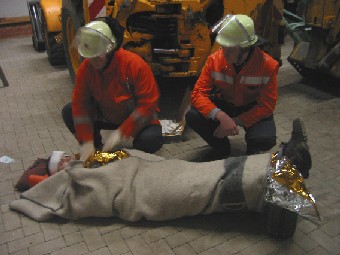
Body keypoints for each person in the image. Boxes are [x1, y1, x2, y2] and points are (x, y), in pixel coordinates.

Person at [11, 119, 313, 228]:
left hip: (154, 172)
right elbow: (67, 194)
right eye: (61, 161)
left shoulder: (90, 160)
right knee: (201, 187)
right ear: (57, 174)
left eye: (65, 157)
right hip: (141, 192)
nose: (67, 158)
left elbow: (130, 156)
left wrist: (104, 155)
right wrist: (67, 173)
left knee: (207, 172)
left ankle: (278, 163)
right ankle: (273, 175)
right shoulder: (72, 179)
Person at [62, 17, 163, 161]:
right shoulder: (86, 70)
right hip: (107, 115)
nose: (93, 61)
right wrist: (87, 141)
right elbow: (81, 106)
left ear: (110, 49)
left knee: (150, 140)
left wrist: (122, 132)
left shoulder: (134, 65)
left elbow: (148, 105)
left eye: (98, 56)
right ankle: (95, 148)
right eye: (90, 57)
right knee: (69, 111)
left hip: (137, 117)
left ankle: (136, 153)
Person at [185, 14, 279, 160]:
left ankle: (251, 156)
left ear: (245, 48)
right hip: (225, 104)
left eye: (230, 49)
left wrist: (235, 121)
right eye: (223, 47)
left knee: (264, 139)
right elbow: (198, 94)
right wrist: (220, 116)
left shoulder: (268, 66)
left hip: (251, 108)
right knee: (193, 116)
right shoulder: (214, 60)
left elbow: (266, 106)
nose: (224, 52)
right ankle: (221, 149)